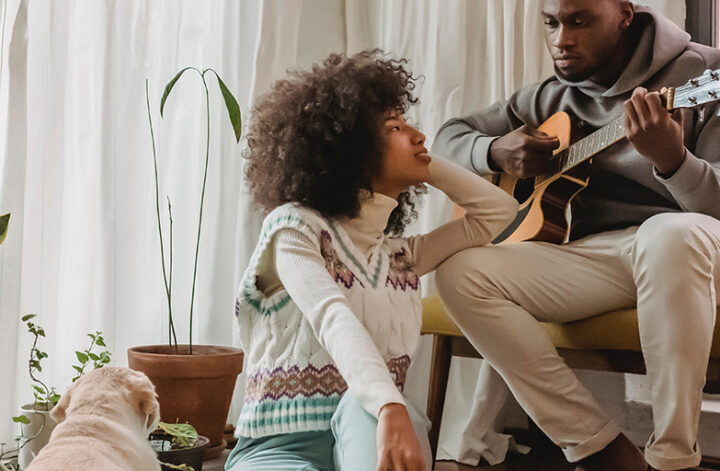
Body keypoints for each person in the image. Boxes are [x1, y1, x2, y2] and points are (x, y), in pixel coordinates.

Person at [432, 1, 720, 470]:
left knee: (668, 235)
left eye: (580, 20)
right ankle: (599, 447)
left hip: (689, 250)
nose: (561, 39)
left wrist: (674, 162)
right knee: (460, 272)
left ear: (625, 14)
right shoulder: (548, 96)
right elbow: (448, 136)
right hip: (596, 259)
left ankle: (673, 458)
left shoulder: (704, 76)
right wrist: (494, 150)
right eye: (552, 22)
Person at [228, 50, 518, 471]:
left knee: (364, 406)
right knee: (380, 403)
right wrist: (388, 404)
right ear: (352, 149)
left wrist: (422, 164)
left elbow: (498, 213)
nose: (419, 136)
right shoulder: (293, 227)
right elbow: (332, 316)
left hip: (375, 435)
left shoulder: (399, 256)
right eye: (396, 127)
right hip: (280, 450)